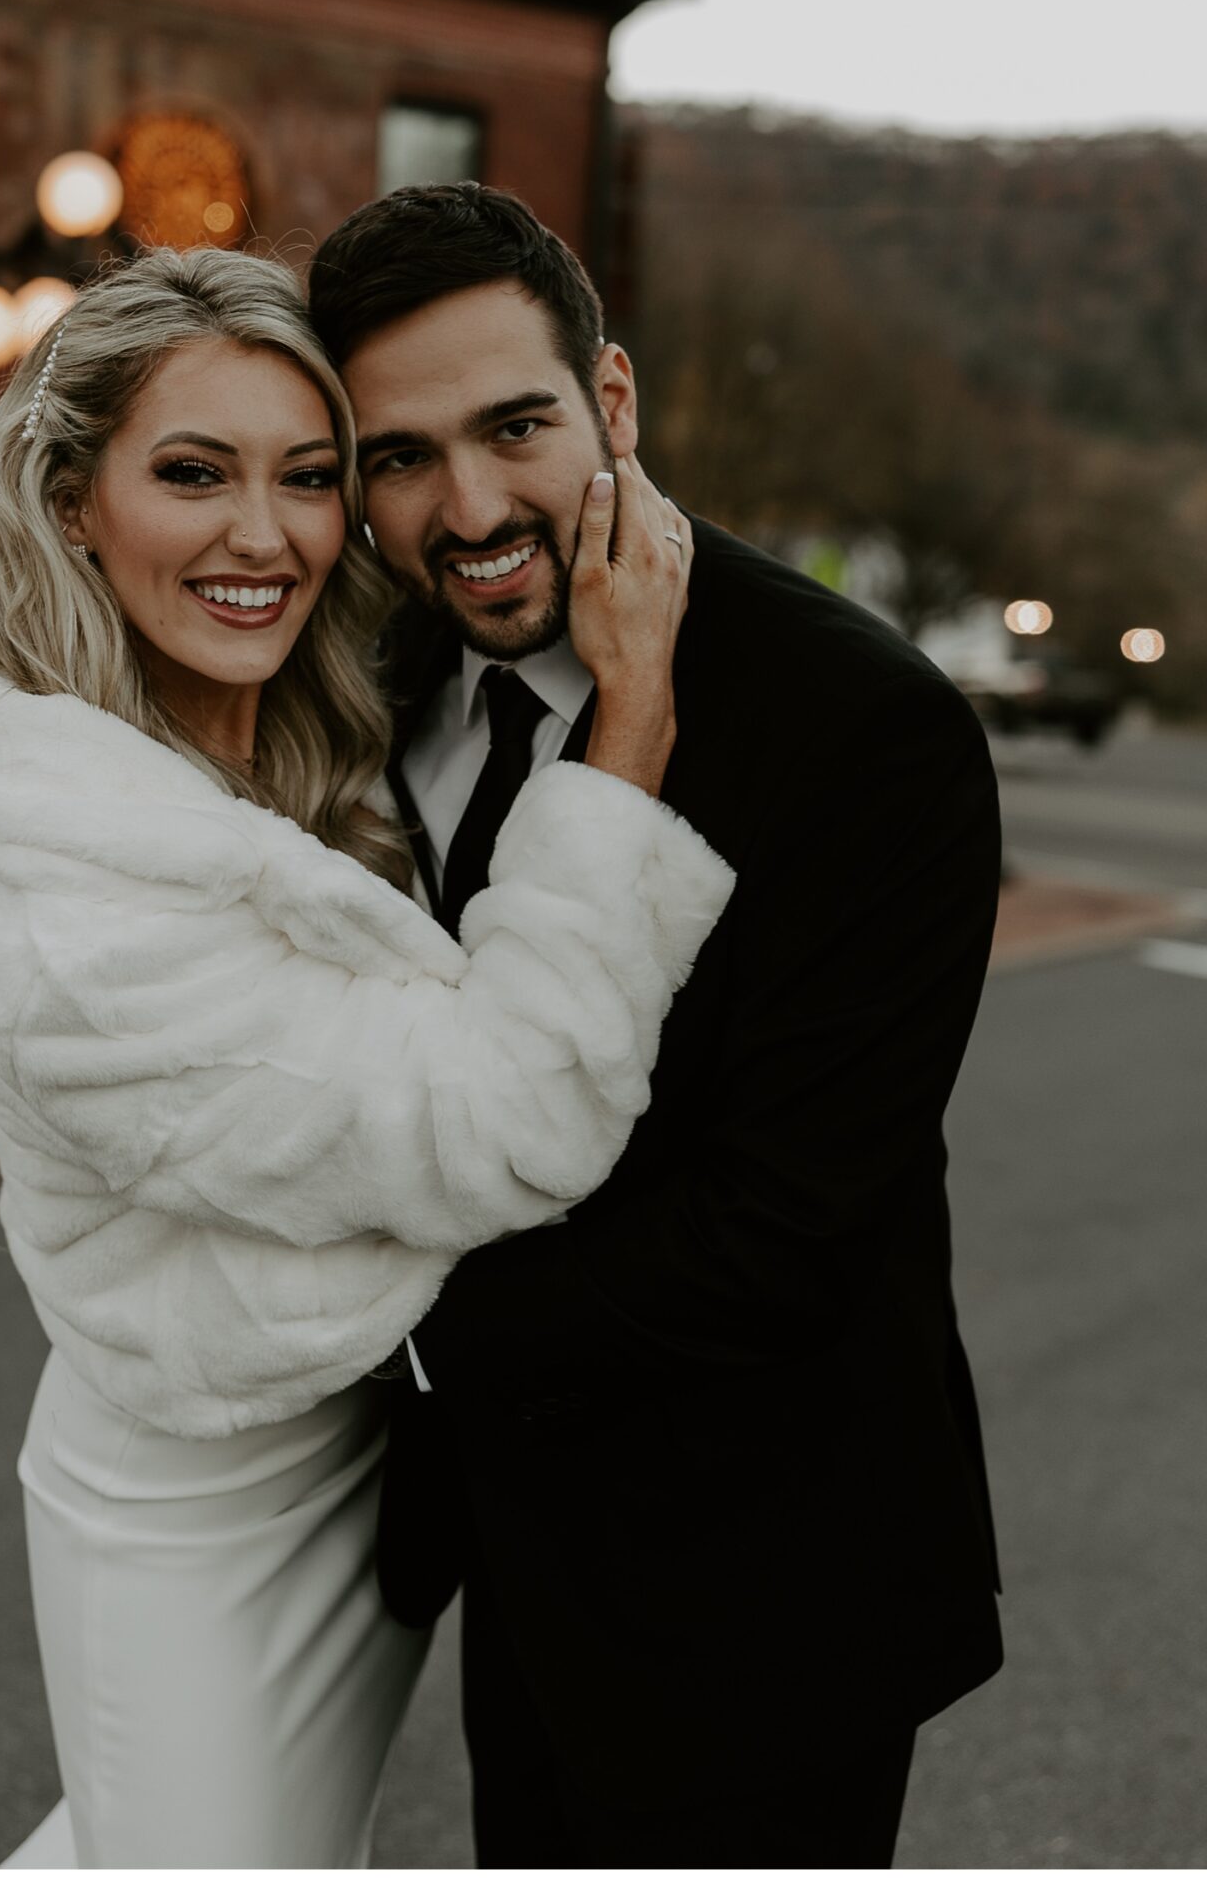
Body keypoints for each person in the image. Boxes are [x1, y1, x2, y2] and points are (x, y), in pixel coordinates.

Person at [0, 246, 732, 1870]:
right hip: (191, 1505)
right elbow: (510, 1116)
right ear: (71, 497)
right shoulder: (76, 918)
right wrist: (634, 730)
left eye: (311, 478)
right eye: (194, 474)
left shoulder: (286, 735)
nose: (267, 536)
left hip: (351, 1444)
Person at [305, 182, 1005, 1873]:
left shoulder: (865, 724)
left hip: (767, 1584)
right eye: (400, 456)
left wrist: (386, 1326)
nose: (468, 507)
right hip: (514, 1560)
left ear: (610, 402)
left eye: (516, 427)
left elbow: (784, 1224)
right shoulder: (380, 685)